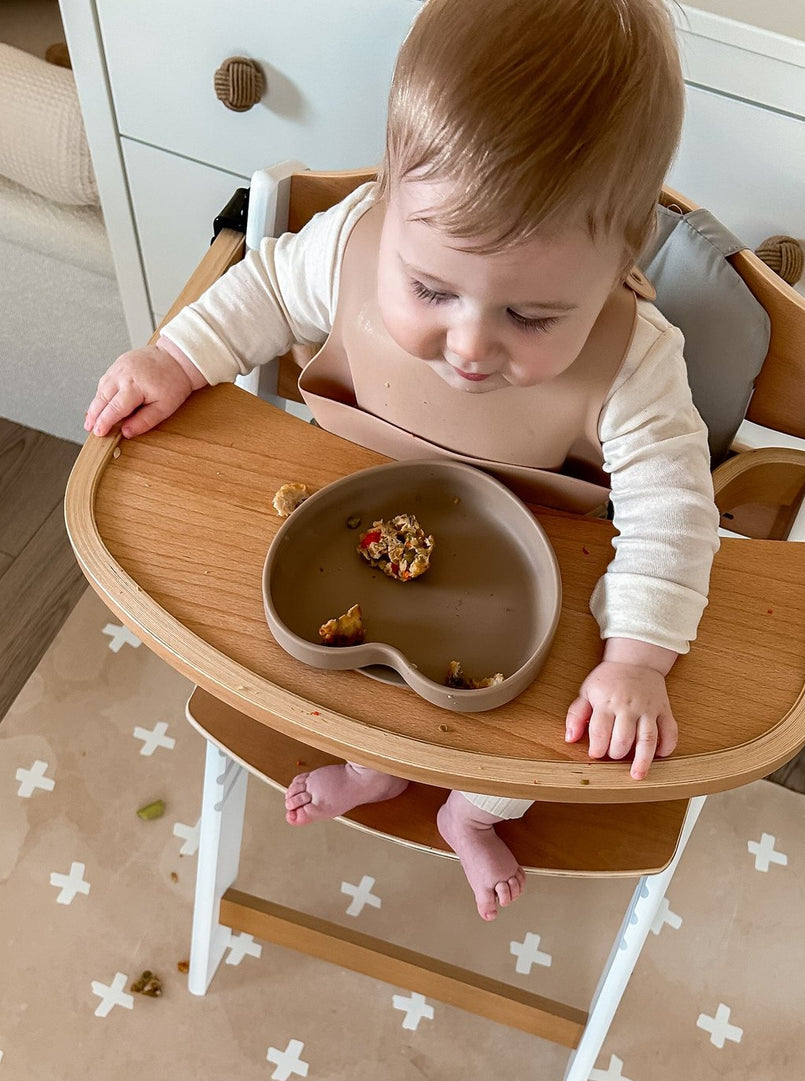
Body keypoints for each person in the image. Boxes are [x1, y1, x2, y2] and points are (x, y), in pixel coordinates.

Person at [84, 0, 719, 922]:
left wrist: (637, 661)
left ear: (625, 257)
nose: (469, 345)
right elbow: (262, 291)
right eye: (430, 288)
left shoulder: (636, 363)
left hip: (509, 609)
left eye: (532, 317)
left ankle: (468, 815)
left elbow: (675, 514)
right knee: (301, 666)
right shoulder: (350, 242)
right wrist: (177, 359)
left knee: (538, 743)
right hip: (342, 548)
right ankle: (373, 771)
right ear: (391, 193)